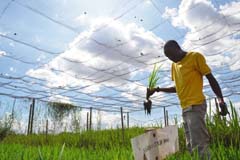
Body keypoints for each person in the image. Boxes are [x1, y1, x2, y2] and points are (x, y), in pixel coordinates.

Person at [147, 40, 229, 159]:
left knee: (199, 145)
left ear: (178, 48)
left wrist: (221, 100)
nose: (171, 58)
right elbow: (178, 88)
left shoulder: (195, 57)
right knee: (190, 146)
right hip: (185, 109)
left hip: (196, 105)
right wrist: (157, 89)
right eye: (167, 56)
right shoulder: (174, 65)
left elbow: (210, 78)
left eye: (171, 54)